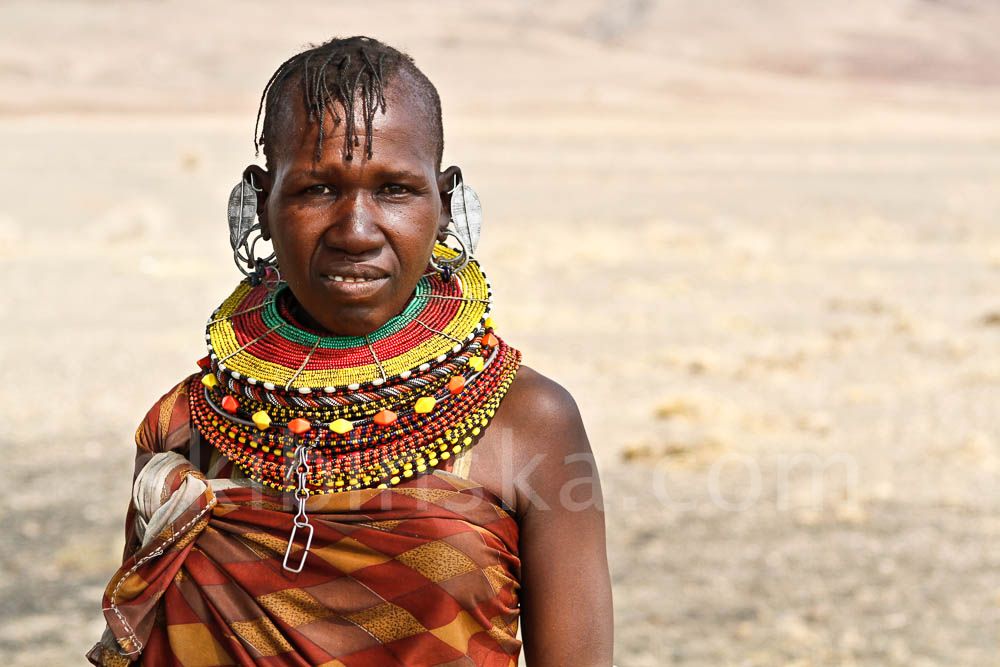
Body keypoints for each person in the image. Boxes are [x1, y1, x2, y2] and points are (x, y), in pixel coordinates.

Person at [89, 35, 613, 667]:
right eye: (317, 190)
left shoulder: (529, 421)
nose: (356, 231)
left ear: (444, 203)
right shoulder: (185, 425)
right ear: (261, 200)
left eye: (394, 189)